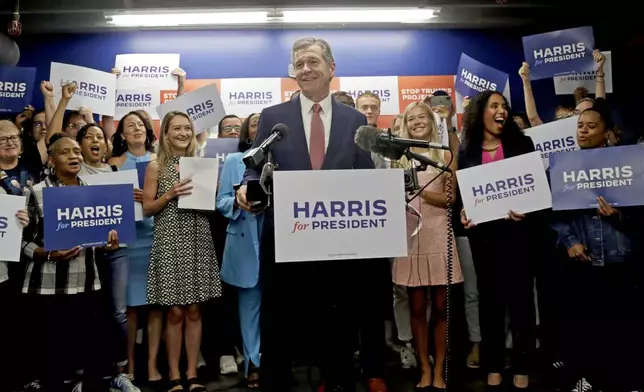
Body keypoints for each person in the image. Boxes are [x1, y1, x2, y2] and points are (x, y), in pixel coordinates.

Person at [236, 37, 386, 392]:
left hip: (339, 246)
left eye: (312, 62)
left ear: (331, 68)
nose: (305, 69)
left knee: (338, 330)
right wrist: (246, 185)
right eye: (299, 63)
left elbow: (366, 176)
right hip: (287, 240)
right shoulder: (274, 117)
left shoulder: (354, 120)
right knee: (281, 330)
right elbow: (254, 166)